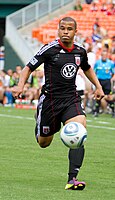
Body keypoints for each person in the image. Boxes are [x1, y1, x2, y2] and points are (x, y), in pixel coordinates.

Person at [12, 17, 104, 190]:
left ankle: (72, 179)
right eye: (62, 28)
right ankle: (39, 121)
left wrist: (97, 87)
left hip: (71, 98)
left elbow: (87, 68)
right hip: (50, 101)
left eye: (69, 29)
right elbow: (28, 67)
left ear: (75, 32)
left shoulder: (80, 51)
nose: (65, 32)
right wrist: (20, 85)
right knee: (44, 143)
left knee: (79, 131)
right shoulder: (49, 49)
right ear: (58, 30)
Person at [93, 50, 115, 117]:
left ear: (107, 56)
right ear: (101, 55)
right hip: (99, 81)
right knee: (98, 96)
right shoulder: (97, 63)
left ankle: (113, 111)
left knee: (109, 97)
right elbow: (94, 72)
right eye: (103, 55)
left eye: (105, 55)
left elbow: (113, 73)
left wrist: (112, 80)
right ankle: (96, 111)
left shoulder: (111, 63)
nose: (104, 57)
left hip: (107, 81)